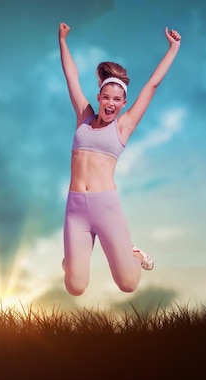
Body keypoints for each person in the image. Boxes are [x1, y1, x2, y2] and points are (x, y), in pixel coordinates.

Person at [58, 21, 181, 296]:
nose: (111, 104)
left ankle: (134, 253)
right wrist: (63, 41)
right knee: (75, 286)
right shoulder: (84, 117)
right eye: (106, 98)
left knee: (128, 284)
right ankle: (72, 261)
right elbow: (71, 76)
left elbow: (152, 84)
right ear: (99, 97)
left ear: (123, 102)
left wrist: (173, 48)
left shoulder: (123, 127)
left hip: (106, 207)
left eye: (117, 99)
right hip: (76, 207)